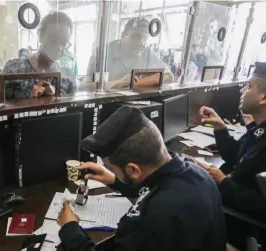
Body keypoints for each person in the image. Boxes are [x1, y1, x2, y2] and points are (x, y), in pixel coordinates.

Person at [56, 105, 226, 251]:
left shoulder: (154, 220)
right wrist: (114, 180)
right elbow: (154, 188)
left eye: (110, 167)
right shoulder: (196, 173)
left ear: (133, 169)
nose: (108, 170)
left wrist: (70, 229)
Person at [197, 61, 266, 249]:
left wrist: (223, 181)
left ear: (263, 97)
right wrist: (220, 128)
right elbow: (237, 157)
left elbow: (260, 203)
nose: (241, 91)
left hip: (244, 218)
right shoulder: (259, 132)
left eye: (248, 86)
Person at [84, 17, 174, 91]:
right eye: (136, 37)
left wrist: (136, 81)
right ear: (123, 36)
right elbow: (87, 86)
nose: (141, 43)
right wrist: (119, 83)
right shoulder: (103, 52)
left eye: (145, 39)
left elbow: (169, 77)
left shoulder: (147, 53)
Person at [2, 12, 76, 99]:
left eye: (64, 43)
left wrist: (56, 95)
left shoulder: (67, 77)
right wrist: (26, 95)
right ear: (40, 36)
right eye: (53, 40)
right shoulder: (14, 69)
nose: (59, 48)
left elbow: (74, 109)